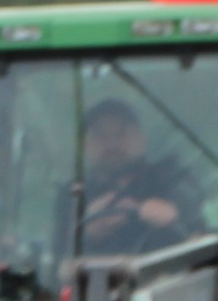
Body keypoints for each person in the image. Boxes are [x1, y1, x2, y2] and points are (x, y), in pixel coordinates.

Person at [76, 98, 203, 251]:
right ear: (85, 146)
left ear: (141, 139)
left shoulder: (169, 176)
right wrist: (86, 232)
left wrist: (166, 213)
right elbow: (60, 261)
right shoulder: (74, 197)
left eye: (121, 133)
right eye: (100, 135)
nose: (112, 144)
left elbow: (191, 198)